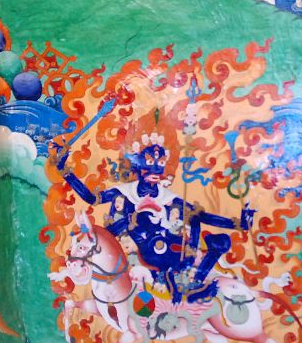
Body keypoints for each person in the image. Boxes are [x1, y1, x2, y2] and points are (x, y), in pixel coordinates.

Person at [54, 128, 253, 304]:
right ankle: (183, 284)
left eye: (160, 163)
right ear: (138, 166)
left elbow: (200, 216)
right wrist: (65, 171)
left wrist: (237, 224)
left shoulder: (168, 197)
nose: (156, 168)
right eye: (150, 162)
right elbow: (91, 198)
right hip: (130, 248)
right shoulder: (124, 192)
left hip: (164, 248)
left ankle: (193, 284)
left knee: (209, 238)